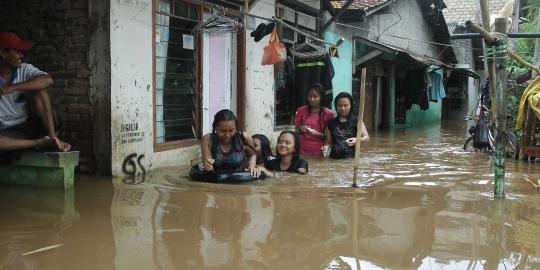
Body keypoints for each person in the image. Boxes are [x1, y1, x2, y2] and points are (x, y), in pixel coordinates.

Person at [0, 32, 70, 153]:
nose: (22, 55)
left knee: (39, 90)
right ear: (3, 53)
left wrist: (13, 87)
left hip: (32, 124)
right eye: (17, 51)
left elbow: (47, 80)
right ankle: (41, 143)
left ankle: (52, 137)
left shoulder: (24, 68)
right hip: (10, 131)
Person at [193, 109, 261, 180]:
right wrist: (208, 165)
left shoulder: (244, 138)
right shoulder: (208, 139)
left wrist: (252, 166)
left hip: (240, 177)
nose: (227, 135)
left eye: (231, 130)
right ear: (215, 128)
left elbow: (252, 155)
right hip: (217, 178)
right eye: (222, 131)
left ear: (236, 128)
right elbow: (209, 164)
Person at [322, 92, 369, 159]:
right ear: (336, 106)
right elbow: (328, 143)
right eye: (340, 106)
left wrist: (357, 140)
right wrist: (325, 148)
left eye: (346, 106)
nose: (343, 108)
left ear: (351, 106)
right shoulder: (330, 123)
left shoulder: (357, 121)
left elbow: (366, 138)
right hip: (334, 159)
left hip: (352, 159)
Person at [295, 83, 334, 156]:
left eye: (315, 96)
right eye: (310, 96)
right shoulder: (301, 110)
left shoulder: (328, 114)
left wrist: (316, 134)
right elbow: (295, 133)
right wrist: (300, 129)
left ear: (321, 97)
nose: (312, 99)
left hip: (320, 152)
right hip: (302, 151)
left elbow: (329, 139)